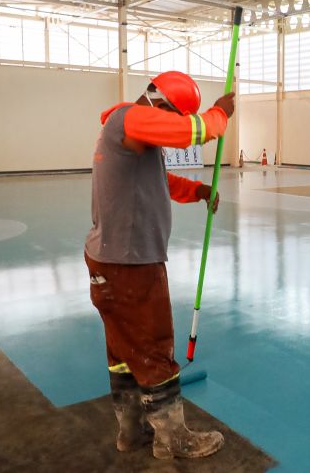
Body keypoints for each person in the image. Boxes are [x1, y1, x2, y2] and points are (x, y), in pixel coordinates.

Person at [84, 70, 235, 460]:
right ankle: (174, 440)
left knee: (123, 352)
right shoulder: (130, 118)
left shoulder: (128, 132)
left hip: (108, 261)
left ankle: (131, 432)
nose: (172, 124)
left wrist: (197, 190)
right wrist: (220, 113)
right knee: (153, 348)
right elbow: (193, 132)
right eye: (175, 115)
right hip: (131, 265)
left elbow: (157, 181)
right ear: (161, 104)